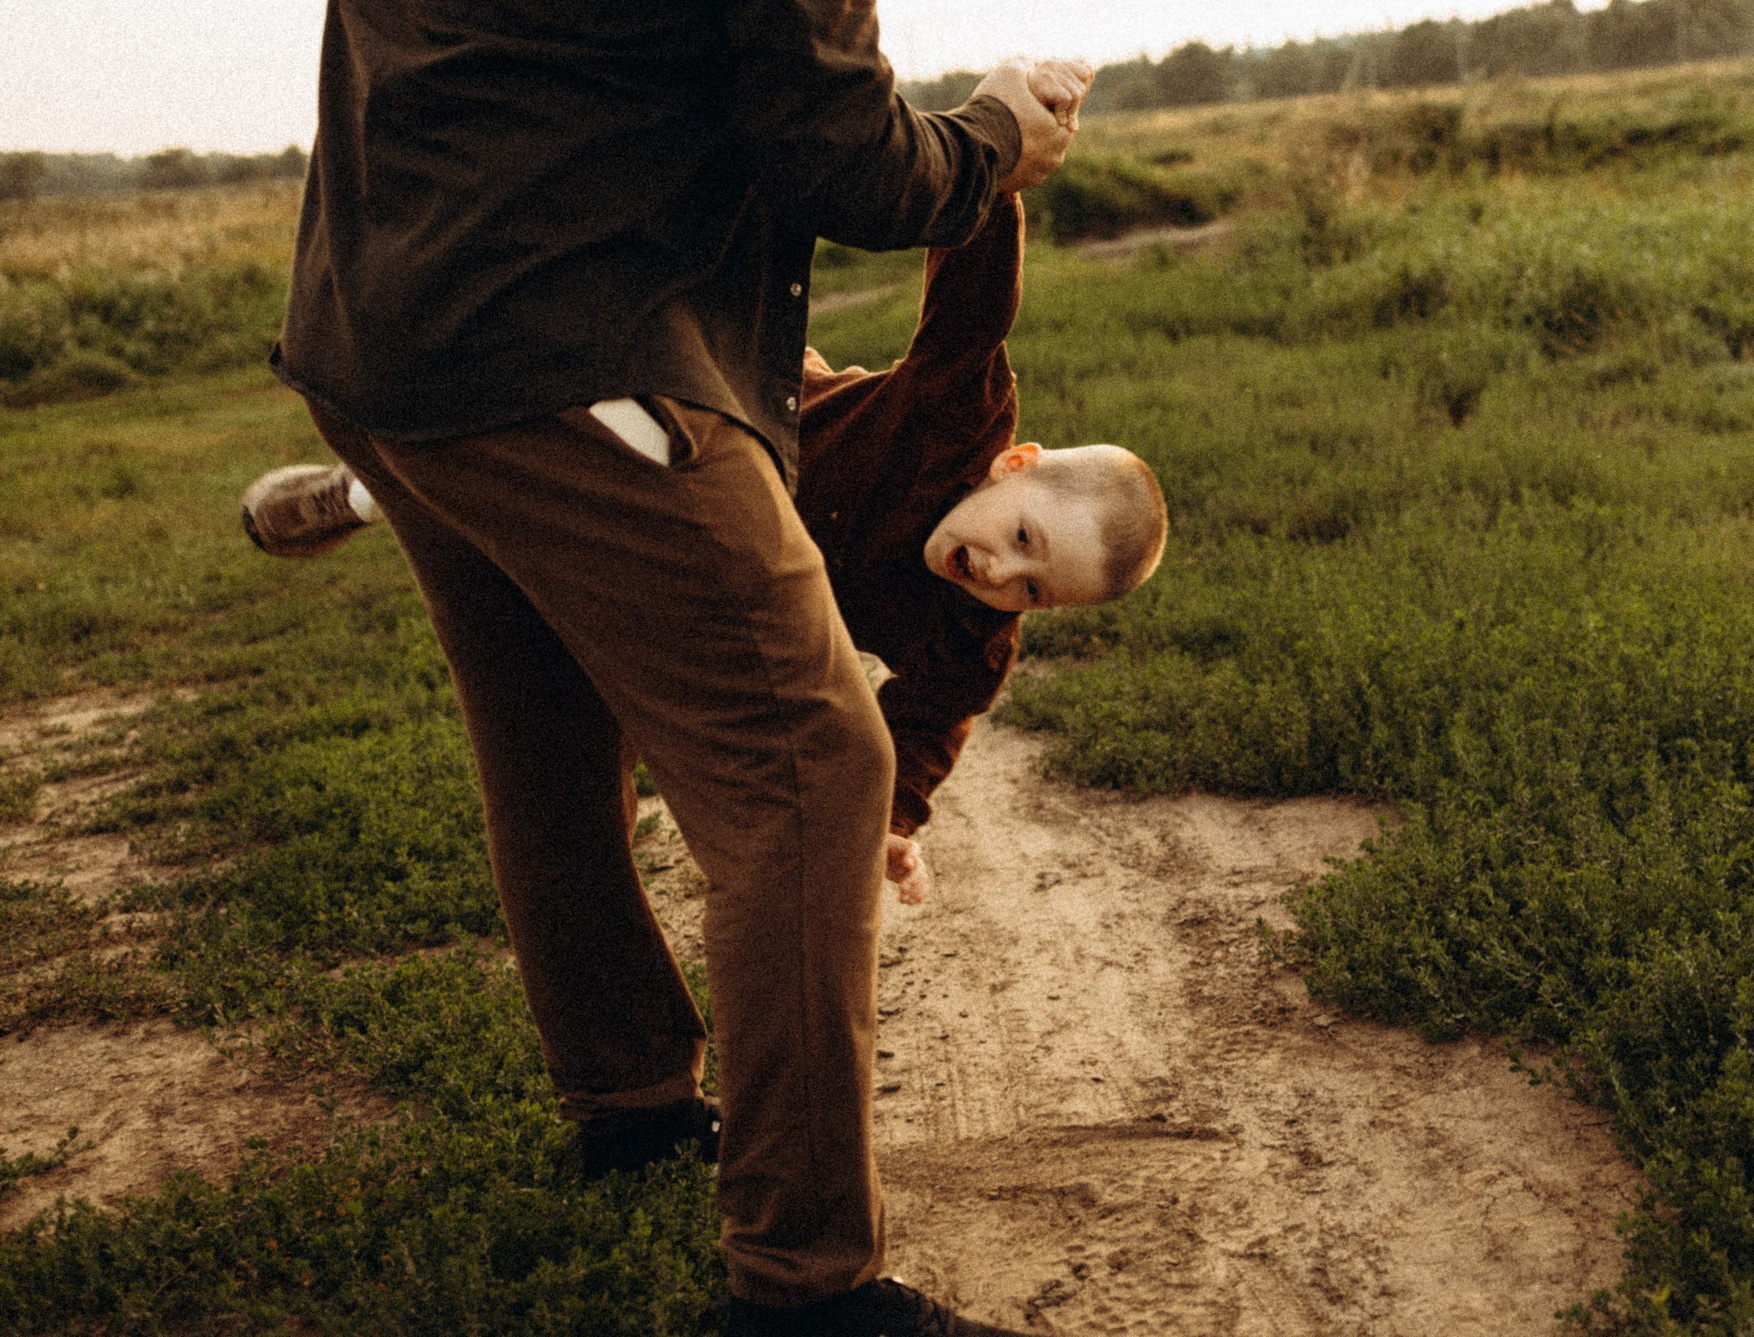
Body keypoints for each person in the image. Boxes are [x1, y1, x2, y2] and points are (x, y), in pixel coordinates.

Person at [272, 0, 1096, 1337]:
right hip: (579, 351)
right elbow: (843, 156)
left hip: (377, 322)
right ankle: (808, 1303)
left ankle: (634, 1104)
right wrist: (998, 136)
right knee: (812, 757)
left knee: (550, 738)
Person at [244, 189, 1168, 913]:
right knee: (563, 424)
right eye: (1021, 538)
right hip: (734, 408)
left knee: (600, 590)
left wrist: (889, 821)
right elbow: (974, 304)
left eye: (1035, 591)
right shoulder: (951, 422)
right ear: (1012, 465)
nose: (1004, 575)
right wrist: (997, 168)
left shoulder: (972, 640)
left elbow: (923, 730)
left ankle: (410, 484)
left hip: (721, 564)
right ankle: (371, 485)